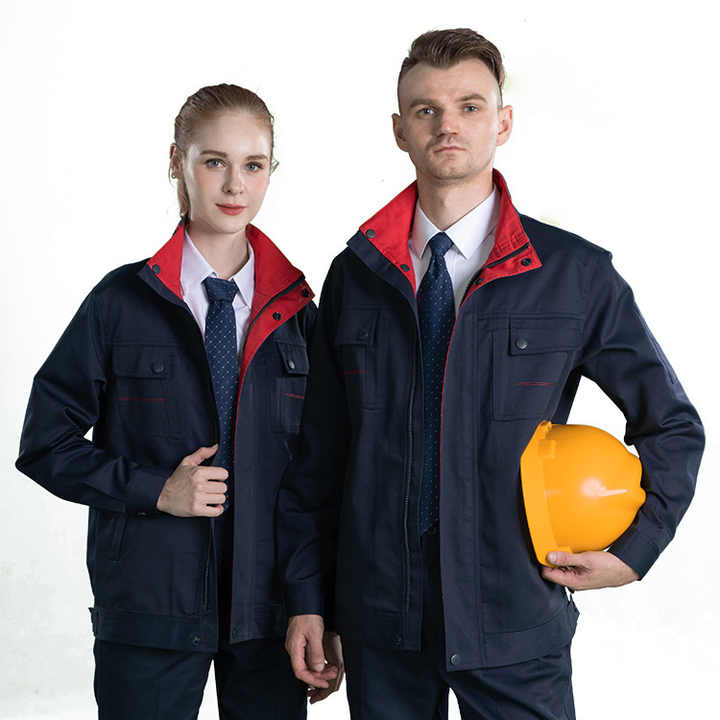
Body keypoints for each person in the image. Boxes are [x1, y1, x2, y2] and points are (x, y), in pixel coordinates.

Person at [278, 29, 704, 719]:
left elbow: (673, 424)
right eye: (426, 109)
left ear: (503, 122)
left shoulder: (573, 275)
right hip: (381, 619)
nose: (447, 125)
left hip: (515, 616)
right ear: (399, 130)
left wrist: (637, 548)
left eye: (469, 106)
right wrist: (307, 597)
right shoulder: (356, 275)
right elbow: (318, 457)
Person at [16, 83, 336, 719]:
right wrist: (156, 489)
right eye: (214, 161)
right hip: (148, 608)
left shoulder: (299, 314)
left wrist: (310, 603)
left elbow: (316, 478)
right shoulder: (121, 303)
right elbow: (45, 445)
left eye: (254, 165)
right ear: (177, 163)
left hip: (268, 615)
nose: (235, 185)